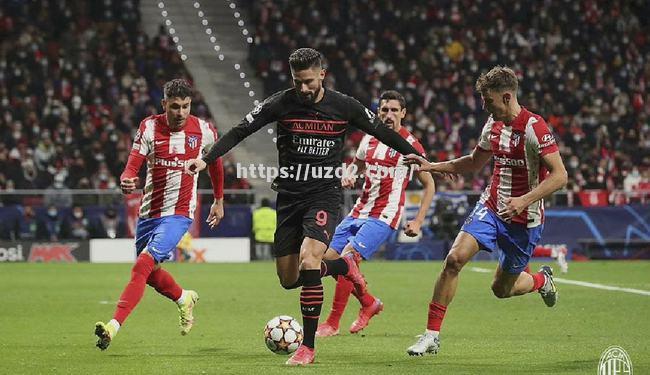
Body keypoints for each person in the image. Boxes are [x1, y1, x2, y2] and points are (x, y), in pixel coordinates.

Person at [185, 48, 421, 365]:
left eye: (308, 81)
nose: (304, 88)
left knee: (311, 259)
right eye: (298, 82)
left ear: (322, 74)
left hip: (324, 194)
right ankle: (343, 266)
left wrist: (414, 155)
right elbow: (242, 129)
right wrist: (206, 158)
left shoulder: (344, 106)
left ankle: (307, 347)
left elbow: (381, 131)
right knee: (289, 279)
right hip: (290, 198)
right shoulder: (281, 102)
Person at [404, 66, 568, 356]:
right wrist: (431, 166)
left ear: (506, 97)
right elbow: (472, 162)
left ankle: (542, 280)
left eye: (488, 100)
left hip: (524, 220)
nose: (484, 106)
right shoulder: (492, 126)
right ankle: (431, 335)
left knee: (501, 289)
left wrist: (524, 199)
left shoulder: (534, 128)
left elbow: (559, 176)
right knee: (454, 259)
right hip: (491, 209)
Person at [94, 79, 225, 350]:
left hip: (179, 213)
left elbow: (215, 163)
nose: (180, 112)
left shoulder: (203, 130)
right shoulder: (149, 127)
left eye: (186, 106)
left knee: (142, 265)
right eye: (175, 107)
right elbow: (132, 166)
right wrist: (127, 178)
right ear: (164, 104)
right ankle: (183, 298)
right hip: (148, 212)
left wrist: (219, 199)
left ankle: (113, 326)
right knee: (150, 273)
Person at [316, 90, 435, 337]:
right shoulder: (369, 139)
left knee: (348, 258)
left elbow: (429, 183)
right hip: (359, 210)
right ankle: (369, 302)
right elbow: (357, 165)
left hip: (385, 215)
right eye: (384, 110)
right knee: (325, 260)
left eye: (394, 110)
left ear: (403, 113)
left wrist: (418, 220)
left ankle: (332, 323)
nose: (388, 115)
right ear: (378, 112)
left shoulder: (410, 145)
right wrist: (349, 173)